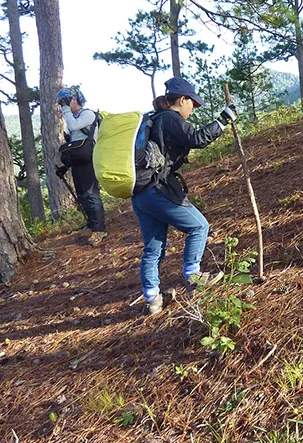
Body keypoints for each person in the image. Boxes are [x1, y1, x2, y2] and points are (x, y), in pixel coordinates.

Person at [131, 77, 237, 315]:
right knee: (199, 226)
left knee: (153, 247)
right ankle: (193, 276)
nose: (193, 109)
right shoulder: (170, 118)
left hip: (139, 193)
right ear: (182, 99)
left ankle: (153, 299)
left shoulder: (153, 119)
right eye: (192, 104)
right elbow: (196, 139)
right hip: (158, 189)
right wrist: (223, 120)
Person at [56, 86, 107, 245]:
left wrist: (65, 110)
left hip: (89, 159)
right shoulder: (74, 116)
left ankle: (99, 230)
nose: (62, 105)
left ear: (74, 99)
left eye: (64, 101)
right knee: (83, 195)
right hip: (79, 160)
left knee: (91, 194)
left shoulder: (87, 114)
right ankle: (93, 225)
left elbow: (73, 126)